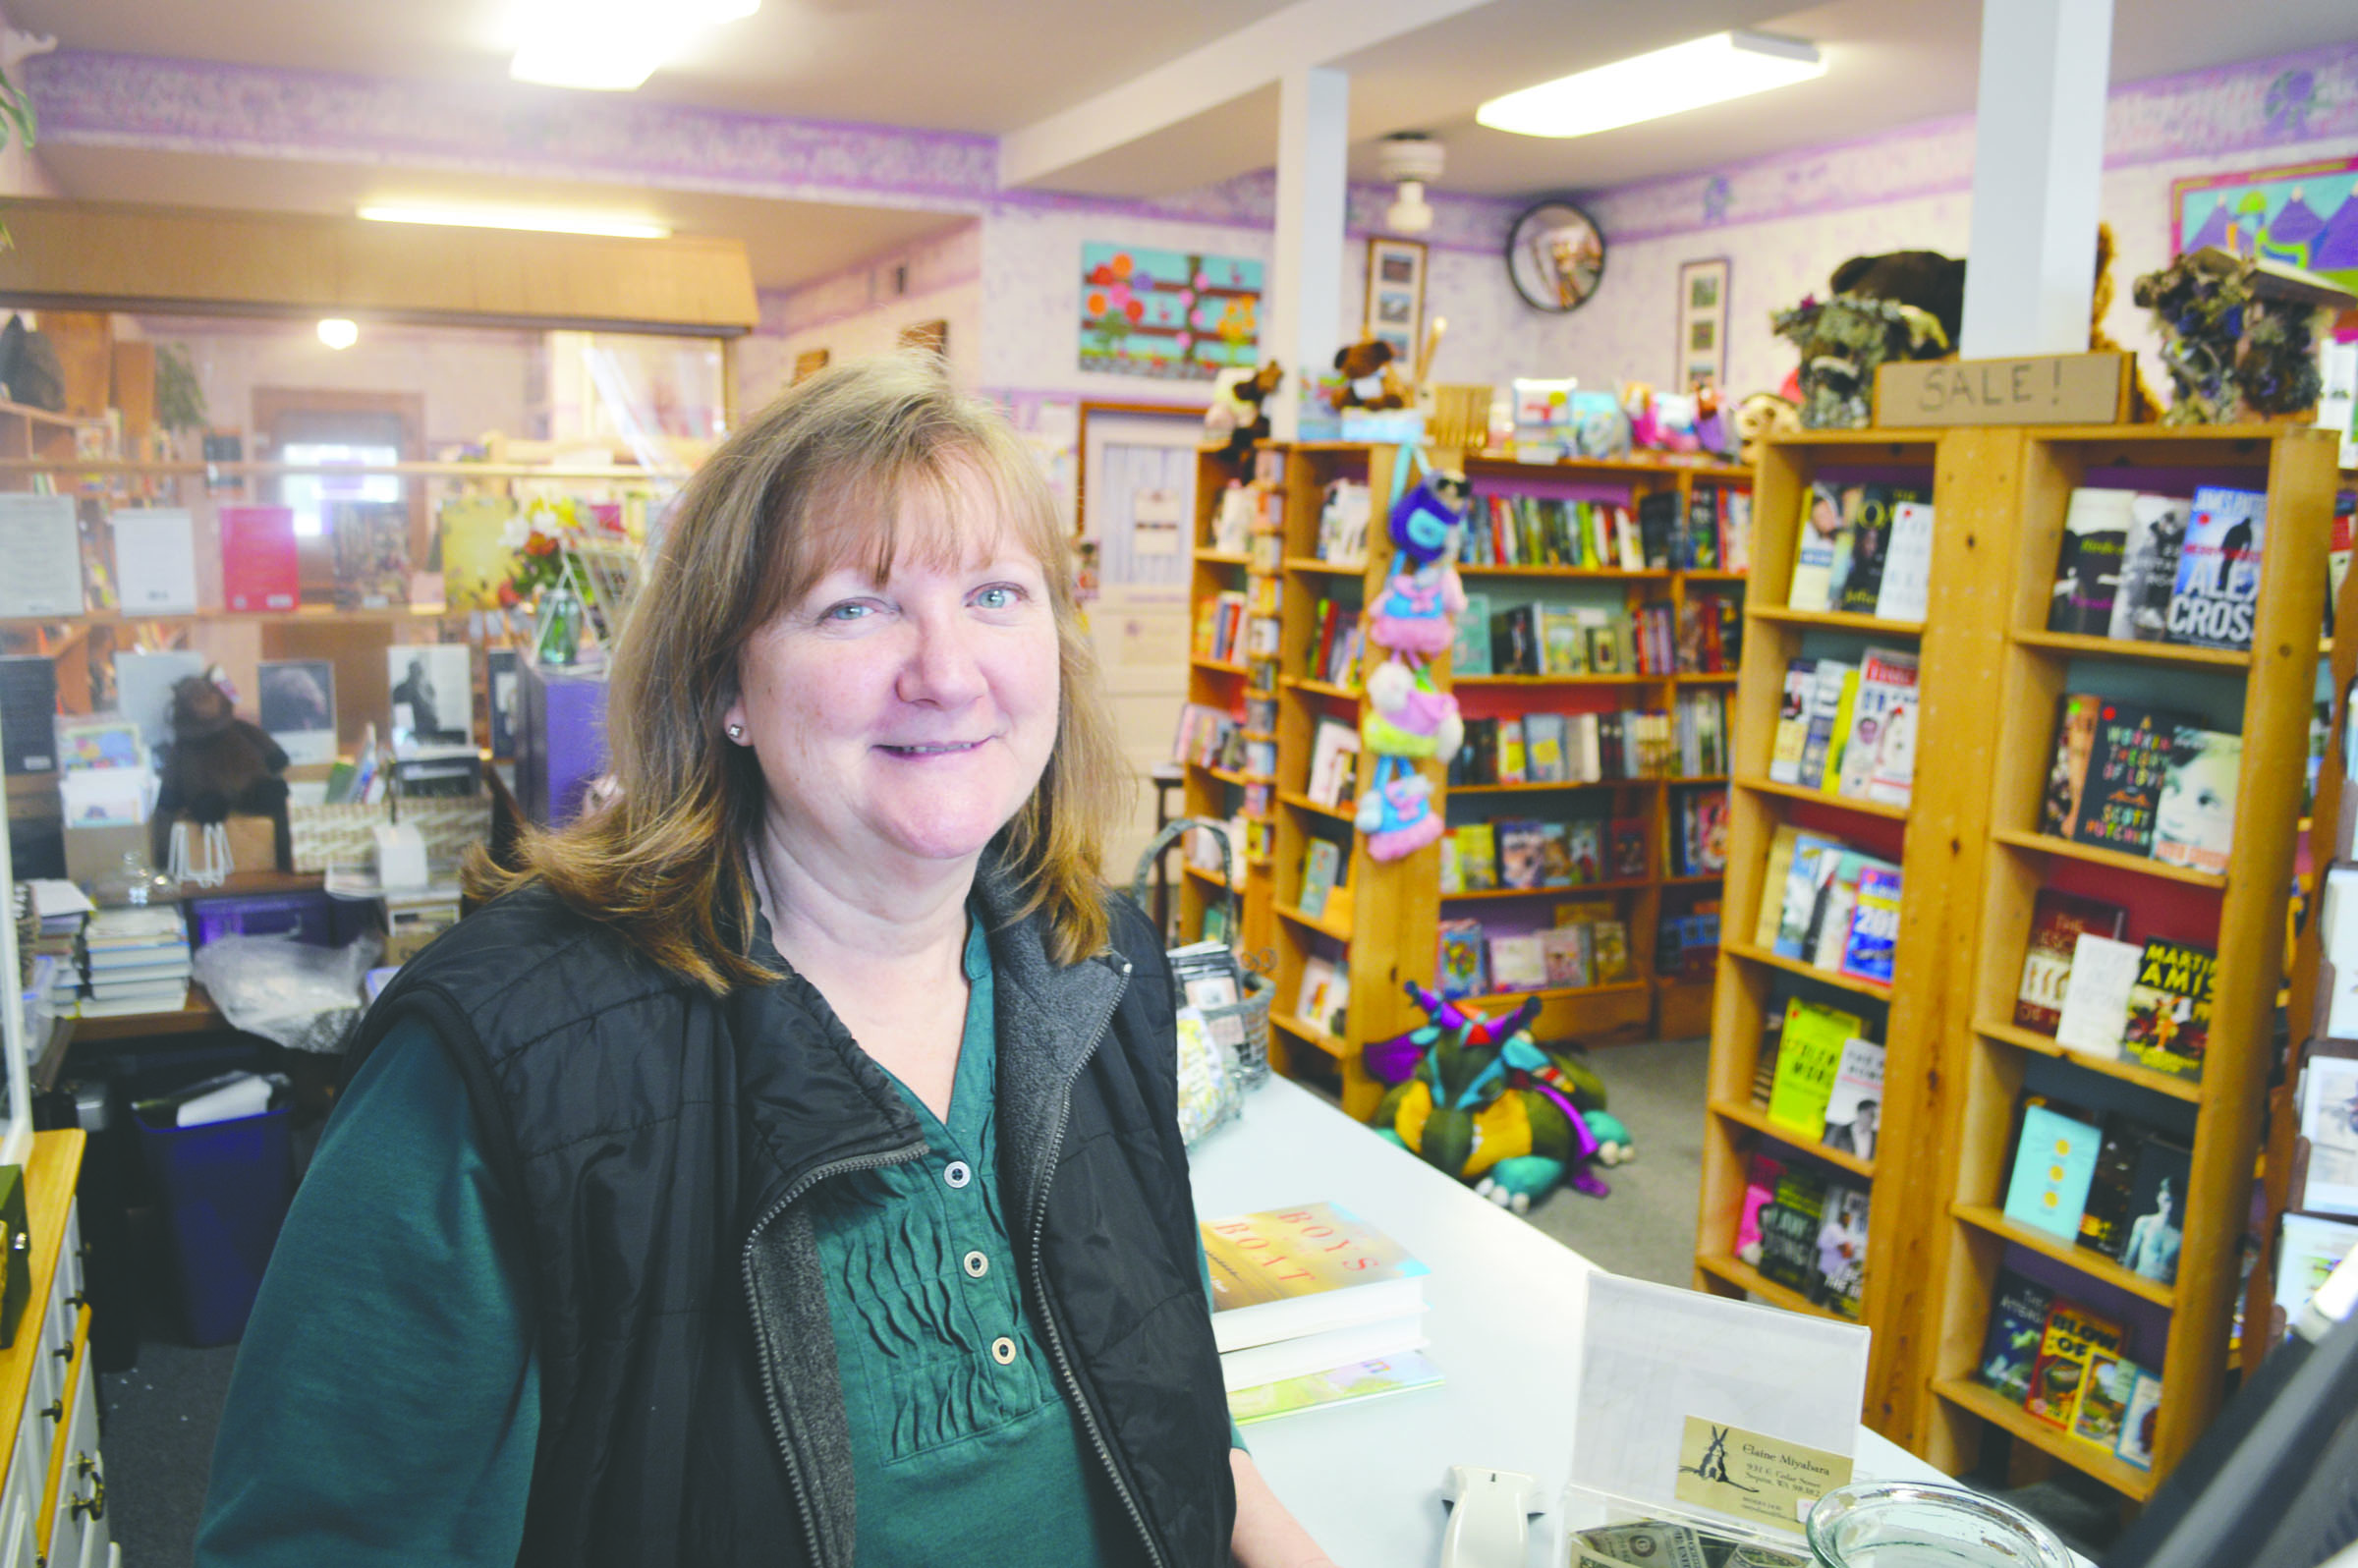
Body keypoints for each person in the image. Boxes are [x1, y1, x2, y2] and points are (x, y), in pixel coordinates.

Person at [196, 357, 1338, 1568]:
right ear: (725, 683)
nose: (948, 672)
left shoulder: (1097, 968)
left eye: (998, 595)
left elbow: (1157, 1382)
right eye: (856, 606)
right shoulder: (499, 1067)